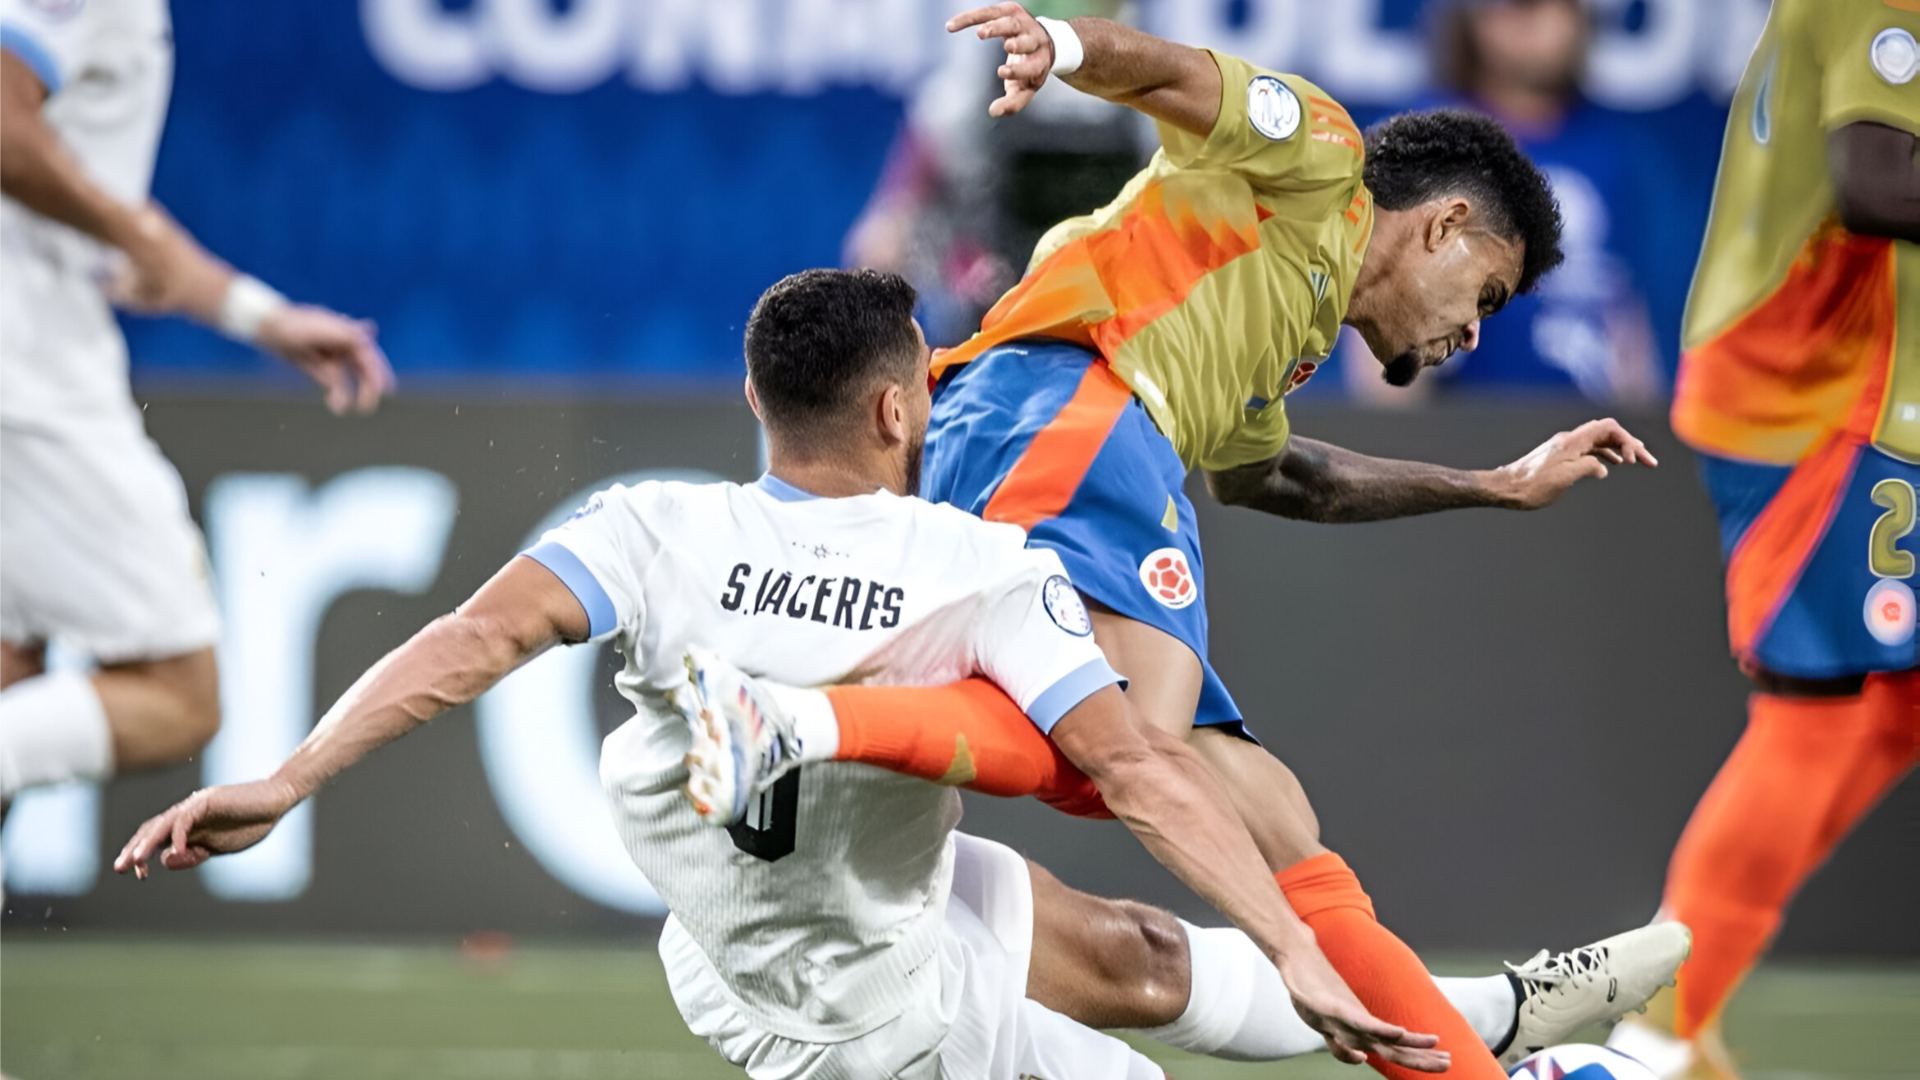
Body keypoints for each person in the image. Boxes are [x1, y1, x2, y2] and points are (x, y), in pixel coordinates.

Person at [112, 270, 1679, 1080]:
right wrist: (1303, 939)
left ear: (756, 400)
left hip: (749, 935)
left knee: (1135, 953)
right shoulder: (977, 571)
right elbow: (1142, 772)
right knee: (1136, 980)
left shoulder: (652, 526)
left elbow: (462, 646)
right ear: (893, 412)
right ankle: (1475, 1035)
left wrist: (285, 775)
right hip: (870, 1014)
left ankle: (1496, 1025)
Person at [684, 7, 1666, 1080]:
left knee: (1278, 822)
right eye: (1484, 295)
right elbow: (1181, 80)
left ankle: (1484, 1070)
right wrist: (1066, 49)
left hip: (1107, 444)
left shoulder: (1281, 333)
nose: (1472, 333)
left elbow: (1282, 476)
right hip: (1063, 401)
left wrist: (1493, 484)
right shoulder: (1323, 159)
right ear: (1444, 224)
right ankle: (798, 721)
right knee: (1120, 744)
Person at [0, 0, 392, 889]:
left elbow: (103, 216)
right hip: (29, 383)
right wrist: (134, 233)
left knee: (12, 671)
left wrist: (257, 315)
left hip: (31, 363)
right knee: (177, 694)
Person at [1603, 2, 1920, 1077]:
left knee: (1896, 707)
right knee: (1817, 719)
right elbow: (1878, 181)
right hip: (1821, 404)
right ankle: (1649, 1036)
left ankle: (1680, 1015)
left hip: (1861, 390)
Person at [1340, 0, 1672, 405]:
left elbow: (1624, 315)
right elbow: (1379, 319)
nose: (1544, 22)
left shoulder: (1612, 147)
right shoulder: (1425, 135)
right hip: (1467, 439)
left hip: (1587, 437)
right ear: (1474, 18)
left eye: (1562, 6)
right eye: (1522, 6)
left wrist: (1642, 436)